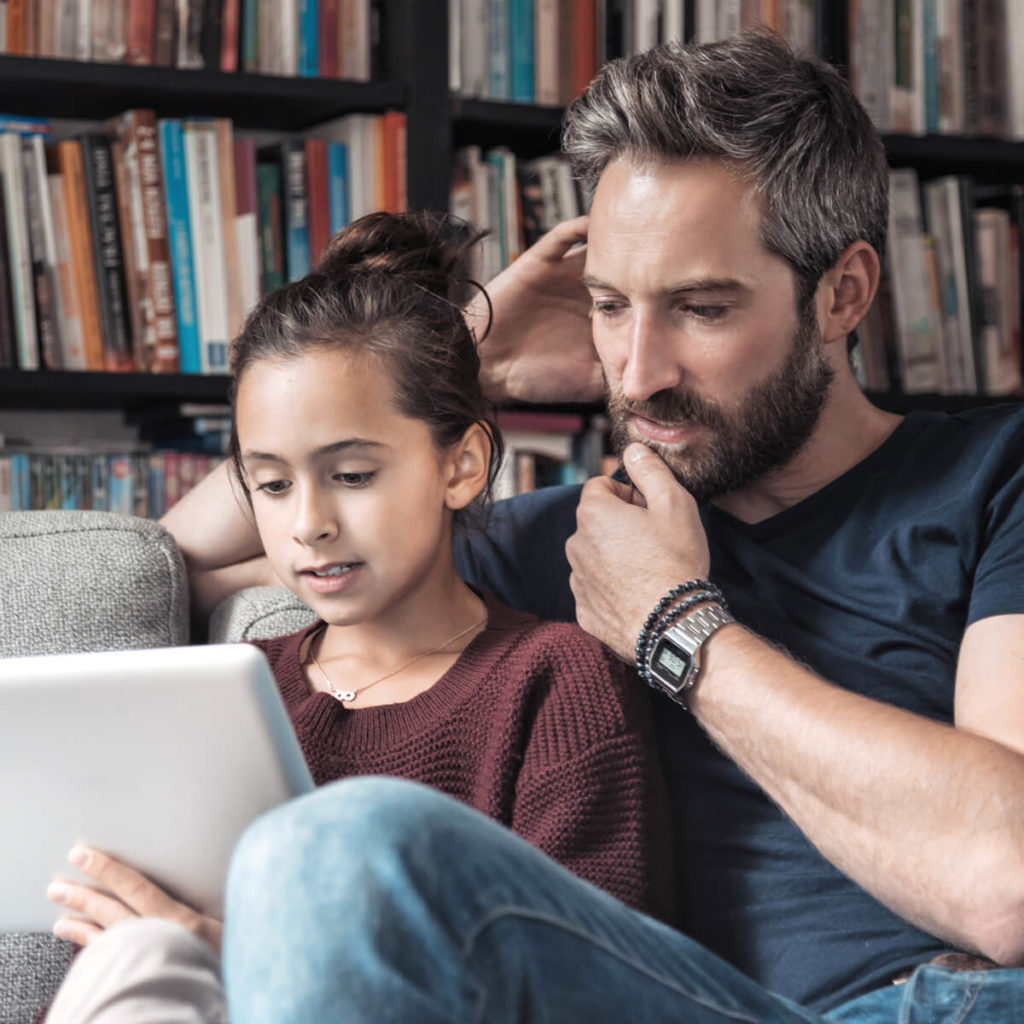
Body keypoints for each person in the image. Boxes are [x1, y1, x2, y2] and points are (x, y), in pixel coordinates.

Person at [50, 28, 1024, 1023]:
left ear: (842, 293)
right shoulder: (563, 537)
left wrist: (675, 627)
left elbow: (1005, 878)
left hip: (941, 1001)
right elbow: (161, 565)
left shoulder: (991, 477)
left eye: (698, 307)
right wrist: (445, 366)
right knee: (328, 854)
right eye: (609, 305)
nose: (637, 372)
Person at [41, 212, 675, 1022]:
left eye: (349, 474)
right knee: (143, 952)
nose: (309, 523)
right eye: (271, 485)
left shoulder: (553, 680)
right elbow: (138, 573)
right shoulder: (231, 691)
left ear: (463, 464)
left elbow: (590, 984)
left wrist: (229, 952)